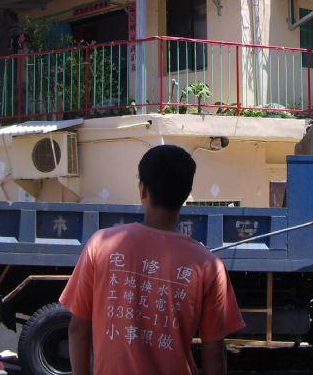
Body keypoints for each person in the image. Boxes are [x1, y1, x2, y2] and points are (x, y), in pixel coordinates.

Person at [60, 144, 244, 375]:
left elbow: (78, 329)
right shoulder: (208, 265)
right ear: (186, 194)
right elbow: (214, 352)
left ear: (143, 190)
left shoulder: (101, 244)